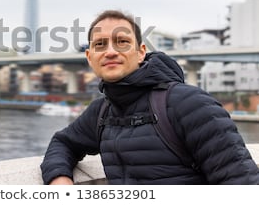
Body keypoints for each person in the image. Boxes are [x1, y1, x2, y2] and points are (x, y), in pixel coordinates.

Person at [40, 10, 258, 184]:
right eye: (100, 44)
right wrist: (60, 180)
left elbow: (242, 184)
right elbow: (63, 143)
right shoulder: (101, 111)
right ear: (89, 57)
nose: (110, 52)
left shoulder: (189, 103)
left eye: (122, 42)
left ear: (141, 52)